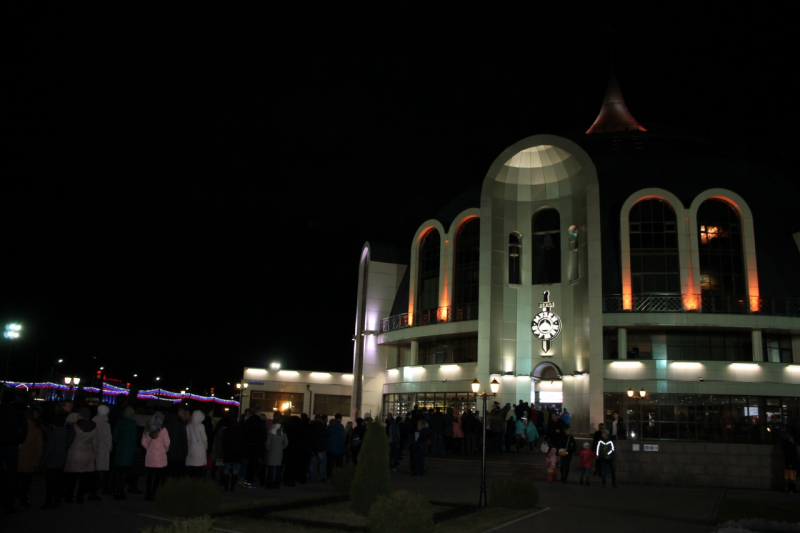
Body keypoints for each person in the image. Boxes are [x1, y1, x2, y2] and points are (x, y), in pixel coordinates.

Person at [64, 408, 100, 504]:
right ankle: (80, 497)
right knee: (83, 478)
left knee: (72, 476)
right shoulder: (94, 427)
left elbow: (69, 440)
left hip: (75, 452)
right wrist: (95, 454)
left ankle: (69, 496)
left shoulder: (75, 426)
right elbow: (95, 443)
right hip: (88, 453)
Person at [0, 391, 27, 515]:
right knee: (11, 476)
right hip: (12, 444)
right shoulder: (17, 410)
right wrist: (21, 441)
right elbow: (24, 427)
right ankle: (8, 505)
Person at [40, 412, 68, 509]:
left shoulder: (55, 433)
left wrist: (42, 463)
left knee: (50, 484)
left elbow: (49, 449)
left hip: (52, 462)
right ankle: (58, 501)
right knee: (59, 483)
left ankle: (49, 502)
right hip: (62, 461)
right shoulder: (65, 431)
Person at [17, 409, 43, 508]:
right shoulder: (36, 431)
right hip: (30, 460)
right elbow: (39, 448)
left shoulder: (18, 428)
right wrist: (36, 461)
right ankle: (24, 500)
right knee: (26, 483)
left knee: (15, 481)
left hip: (17, 459)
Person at [142, 412, 170, 501]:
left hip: (150, 455)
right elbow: (167, 443)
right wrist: (163, 450)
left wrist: (149, 449)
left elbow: (143, 442)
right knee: (157, 477)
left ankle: (148, 494)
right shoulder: (163, 430)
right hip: (160, 457)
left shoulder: (147, 429)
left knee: (149, 476)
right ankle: (154, 493)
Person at [111, 406, 137, 500]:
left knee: (118, 471)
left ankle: (115, 490)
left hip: (120, 449)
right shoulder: (132, 423)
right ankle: (120, 491)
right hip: (128, 450)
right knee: (125, 472)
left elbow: (115, 437)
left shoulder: (120, 422)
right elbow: (133, 438)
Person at [92, 404, 113, 498]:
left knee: (94, 469)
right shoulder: (105, 424)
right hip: (103, 449)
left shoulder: (93, 422)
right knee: (103, 470)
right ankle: (103, 488)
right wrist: (110, 448)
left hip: (93, 448)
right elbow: (108, 439)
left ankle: (93, 489)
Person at [163, 407, 188, 479]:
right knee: (177, 474)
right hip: (178, 451)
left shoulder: (165, 422)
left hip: (166, 451)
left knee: (166, 473)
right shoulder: (180, 423)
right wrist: (185, 451)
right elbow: (183, 438)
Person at [221, 414, 244, 492]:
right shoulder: (239, 430)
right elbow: (241, 442)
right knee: (235, 469)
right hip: (236, 453)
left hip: (228, 452)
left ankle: (226, 486)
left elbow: (223, 442)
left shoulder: (227, 430)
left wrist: (225, 450)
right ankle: (232, 487)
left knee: (226, 468)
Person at [265, 415, 289, 489]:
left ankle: (269, 484)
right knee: (278, 468)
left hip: (271, 451)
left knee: (270, 468)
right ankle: (277, 484)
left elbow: (268, 443)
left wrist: (268, 449)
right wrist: (281, 448)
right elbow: (286, 443)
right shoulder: (283, 431)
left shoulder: (271, 430)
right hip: (279, 452)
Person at [186, 410, 208, 477]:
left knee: (192, 468)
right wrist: (206, 446)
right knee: (199, 467)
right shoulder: (201, 426)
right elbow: (204, 438)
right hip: (200, 449)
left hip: (191, 448)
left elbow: (187, 437)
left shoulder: (188, 426)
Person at [308, 415, 327, 482]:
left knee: (312, 464)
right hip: (321, 447)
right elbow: (325, 435)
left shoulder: (310, 426)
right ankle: (320, 477)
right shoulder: (322, 426)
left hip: (312, 447)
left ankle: (312, 477)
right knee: (322, 463)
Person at [325, 414, 345, 479]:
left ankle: (329, 476)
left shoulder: (329, 426)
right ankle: (337, 477)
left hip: (330, 449)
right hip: (338, 449)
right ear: (340, 418)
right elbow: (341, 439)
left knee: (330, 464)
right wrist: (343, 449)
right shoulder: (340, 426)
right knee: (338, 464)